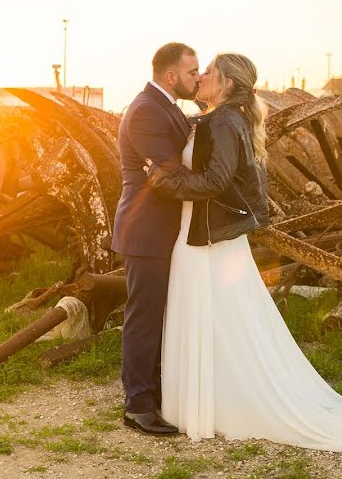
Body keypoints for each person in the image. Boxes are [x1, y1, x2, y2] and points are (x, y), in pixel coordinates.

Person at [144, 52, 342, 458]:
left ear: (225, 84)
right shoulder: (223, 118)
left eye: (209, 72)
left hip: (206, 238)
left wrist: (162, 180)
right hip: (205, 235)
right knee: (221, 321)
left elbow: (218, 180)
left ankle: (212, 403)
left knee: (213, 317)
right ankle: (213, 400)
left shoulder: (224, 120)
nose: (201, 76)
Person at [111, 42, 200, 435]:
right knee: (144, 319)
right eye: (192, 72)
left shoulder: (169, 107)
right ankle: (138, 406)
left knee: (162, 315)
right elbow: (167, 175)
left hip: (165, 231)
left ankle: (157, 393)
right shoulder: (147, 110)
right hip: (146, 229)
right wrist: (218, 186)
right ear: (171, 76)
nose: (197, 78)